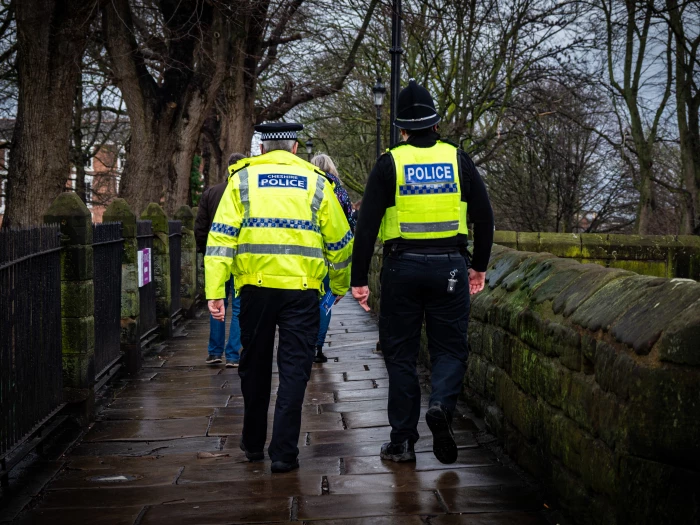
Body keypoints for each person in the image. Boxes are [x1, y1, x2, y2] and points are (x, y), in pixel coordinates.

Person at [350, 80, 494, 465]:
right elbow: (484, 216)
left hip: (401, 268)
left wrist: (359, 279)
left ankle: (402, 442)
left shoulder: (389, 163)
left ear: (402, 128)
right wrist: (478, 266)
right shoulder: (458, 159)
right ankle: (442, 407)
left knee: (400, 355)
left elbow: (366, 226)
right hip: (450, 265)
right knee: (450, 347)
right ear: (435, 123)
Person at [205, 123, 353, 473]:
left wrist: (215, 291)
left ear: (261, 148)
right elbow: (341, 241)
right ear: (295, 147)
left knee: (254, 367)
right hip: (301, 294)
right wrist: (341, 284)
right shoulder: (317, 182)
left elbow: (221, 238)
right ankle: (284, 453)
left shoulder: (242, 180)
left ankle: (253, 444)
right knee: (294, 371)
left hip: (254, 291)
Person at [195, 152, 246, 367]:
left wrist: (204, 252)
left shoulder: (211, 193)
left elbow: (200, 226)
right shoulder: (247, 194)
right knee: (238, 307)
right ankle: (233, 355)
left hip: (216, 256)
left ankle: (215, 352)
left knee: (217, 303)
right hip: (241, 258)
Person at [310, 153, 355, 363]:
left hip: (309, 254)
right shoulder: (341, 193)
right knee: (326, 301)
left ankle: (306, 342)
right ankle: (317, 346)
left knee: (307, 301)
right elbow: (349, 225)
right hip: (332, 257)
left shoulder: (309, 188)